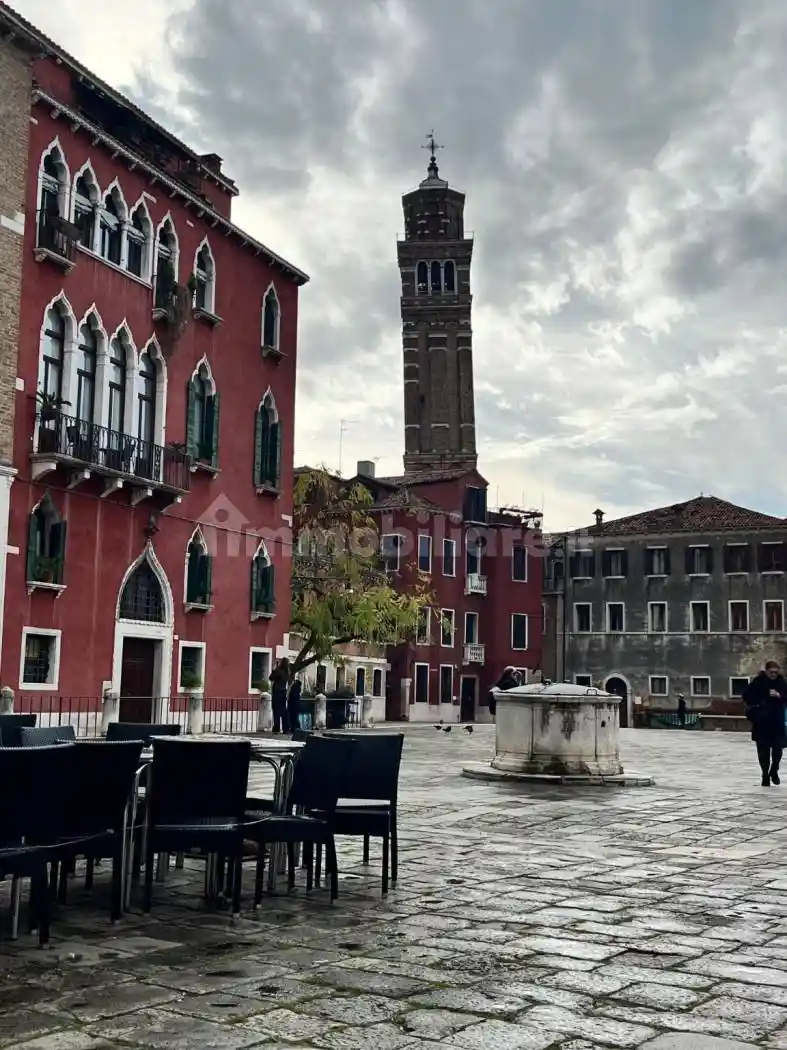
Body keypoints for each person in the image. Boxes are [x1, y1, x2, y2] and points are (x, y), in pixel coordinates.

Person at [742, 660, 787, 786]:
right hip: (762, 721)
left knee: (778, 748)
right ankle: (765, 775)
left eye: (776, 672)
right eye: (772, 672)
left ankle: (774, 770)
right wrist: (765, 694)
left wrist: (779, 695)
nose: (774, 675)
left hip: (777, 720)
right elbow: (746, 696)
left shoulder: (781, 682)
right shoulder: (758, 682)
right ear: (766, 671)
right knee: (763, 750)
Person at [269, 658, 290, 734]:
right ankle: (285, 728)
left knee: (276, 711)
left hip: (277, 692)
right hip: (283, 692)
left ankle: (277, 728)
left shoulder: (278, 671)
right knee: (283, 711)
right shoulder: (287, 672)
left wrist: (275, 668)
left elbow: (271, 677)